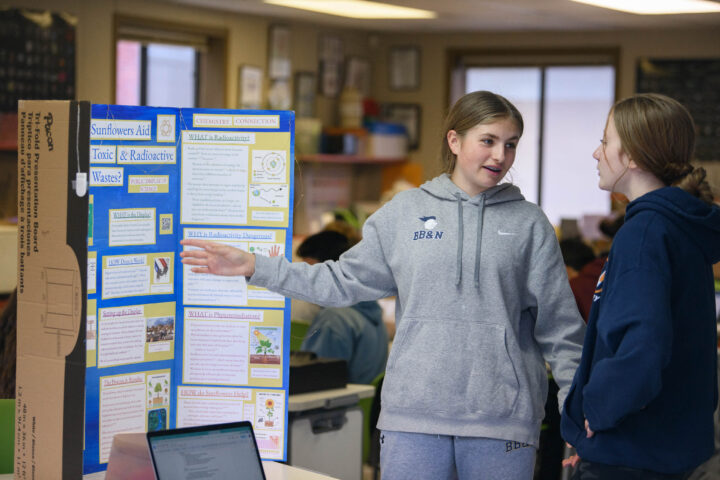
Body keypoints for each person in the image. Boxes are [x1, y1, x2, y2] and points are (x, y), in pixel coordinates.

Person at [181, 90, 586, 480]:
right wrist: (257, 266)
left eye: (511, 144)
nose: (501, 155)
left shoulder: (529, 224)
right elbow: (339, 281)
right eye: (489, 140)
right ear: (455, 140)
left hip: (502, 423)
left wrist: (576, 404)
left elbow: (560, 328)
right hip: (412, 418)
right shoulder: (406, 212)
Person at [561, 93, 720, 479]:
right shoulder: (676, 227)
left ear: (631, 156)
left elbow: (642, 349)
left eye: (605, 141)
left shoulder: (644, 233)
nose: (596, 154)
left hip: (632, 451)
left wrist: (595, 413)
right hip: (667, 449)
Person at [296, 230, 388, 384]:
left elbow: (315, 383)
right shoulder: (370, 313)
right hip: (359, 405)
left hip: (336, 406)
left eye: (309, 272)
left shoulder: (333, 319)